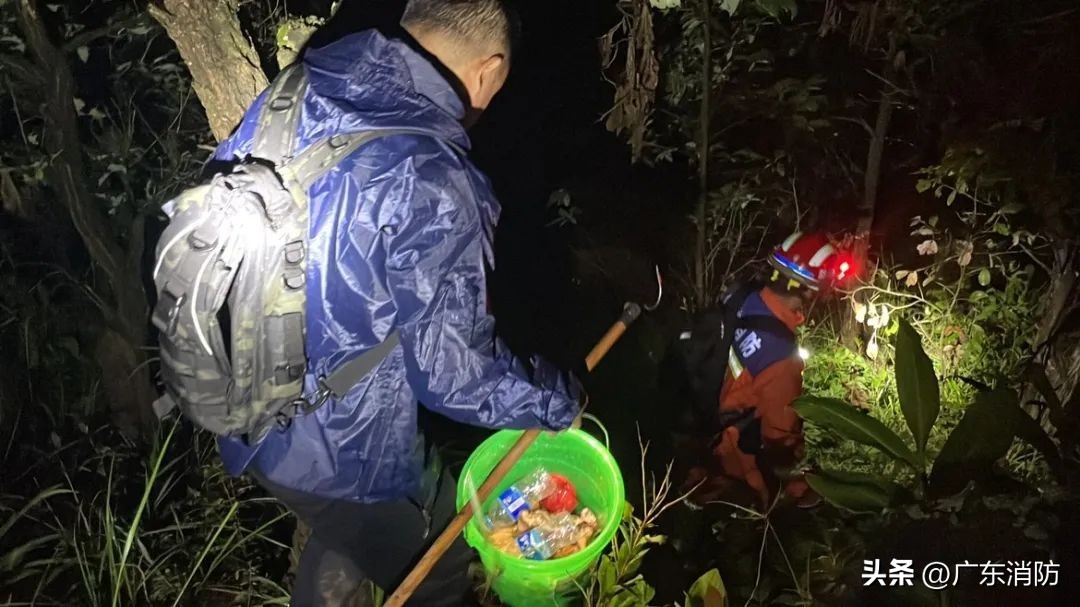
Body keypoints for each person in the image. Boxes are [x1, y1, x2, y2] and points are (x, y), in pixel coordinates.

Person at [208, 2, 584, 605]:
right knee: (437, 556)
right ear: (488, 71)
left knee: (354, 531)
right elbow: (452, 375)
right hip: (325, 437)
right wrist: (556, 400)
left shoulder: (309, 82)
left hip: (230, 378)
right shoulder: (433, 176)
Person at [679, 231, 855, 511]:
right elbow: (779, 436)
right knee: (773, 491)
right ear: (809, 291)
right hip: (734, 452)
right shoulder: (780, 356)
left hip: (698, 415)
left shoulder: (741, 295)